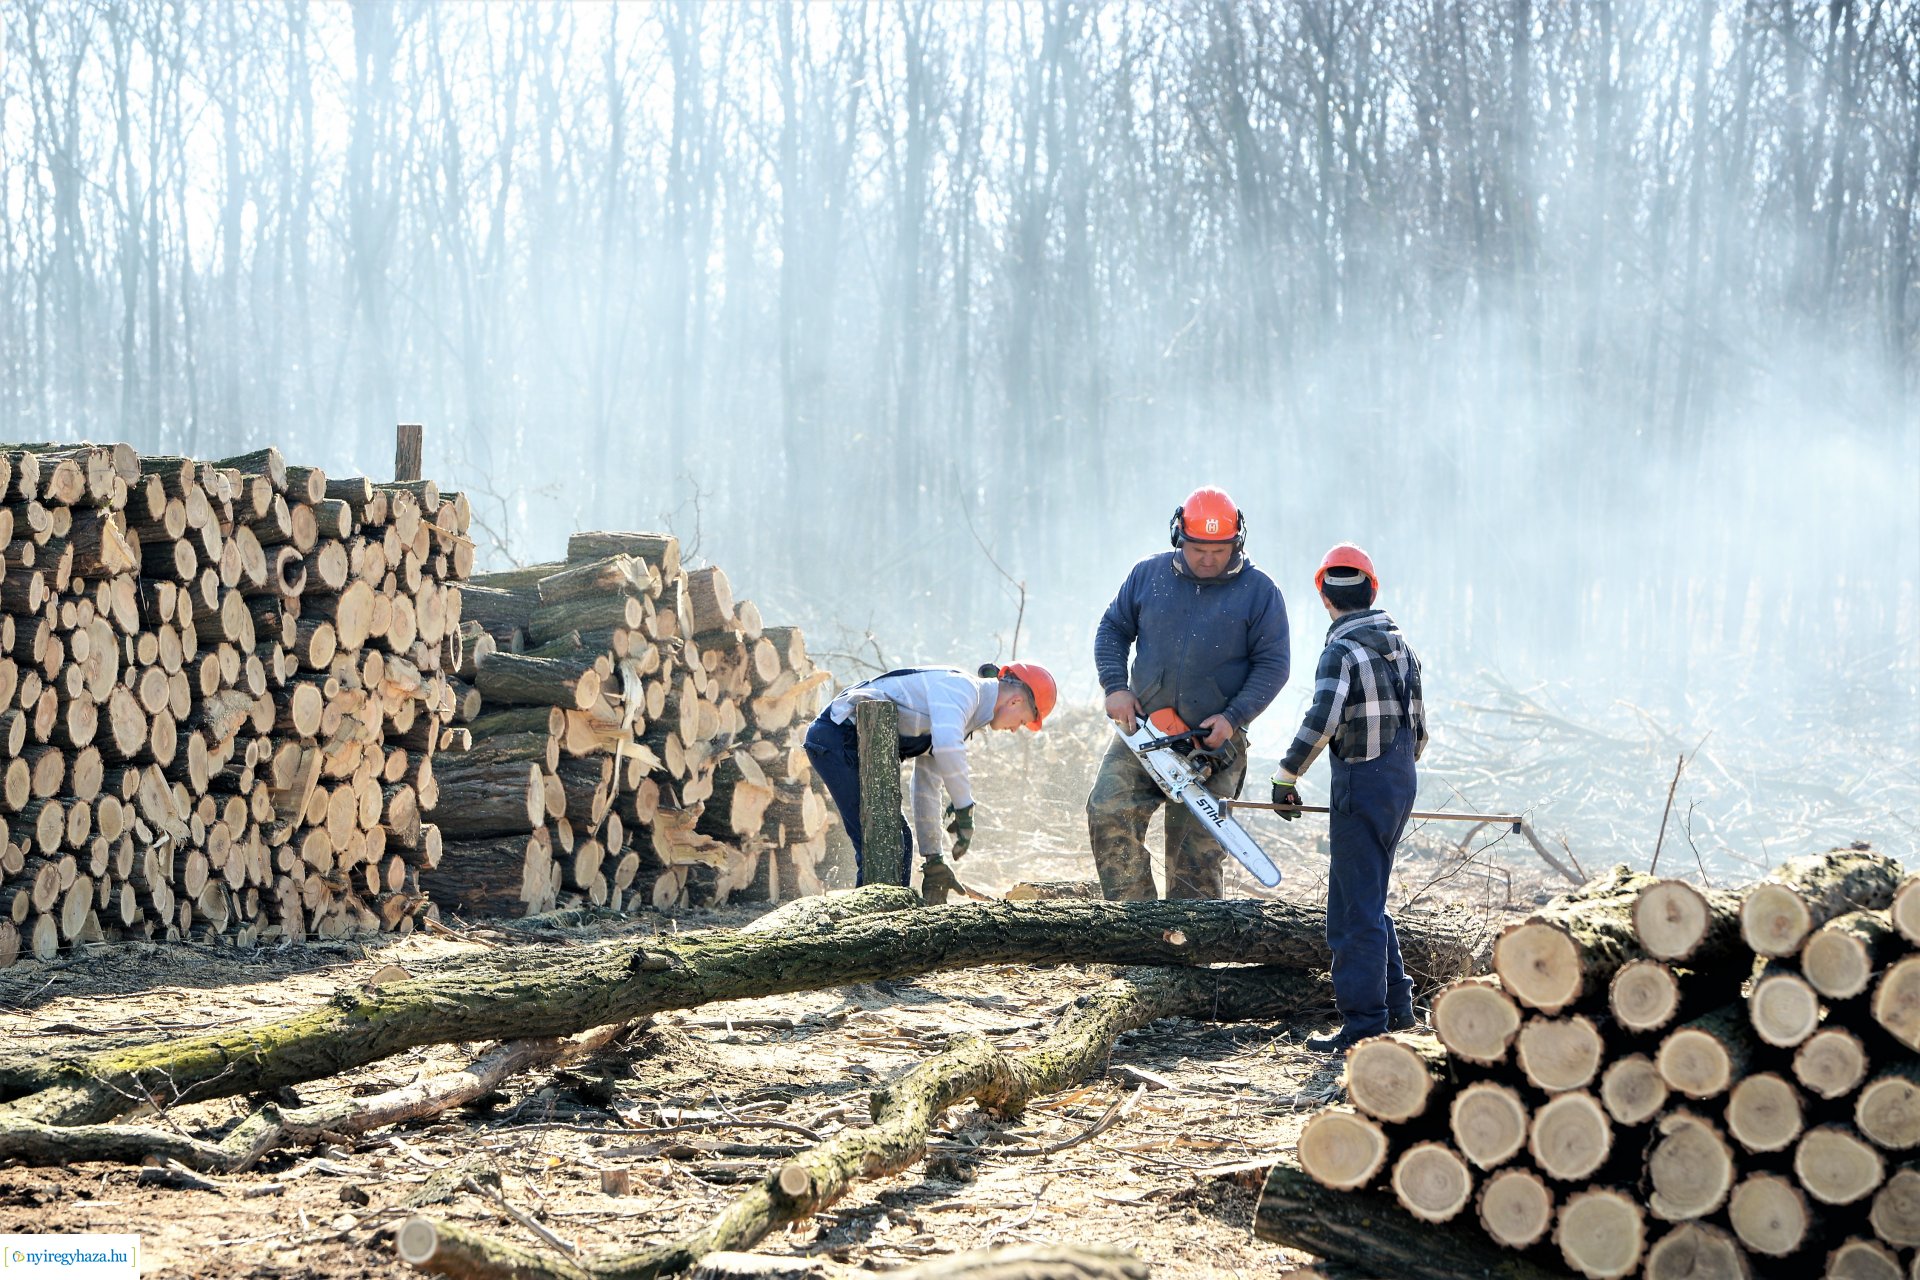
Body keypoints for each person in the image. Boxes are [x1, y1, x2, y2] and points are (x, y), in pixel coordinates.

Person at [1087, 486, 1290, 900]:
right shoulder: (1148, 575)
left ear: (1238, 540)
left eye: (1220, 549)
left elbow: (1274, 665)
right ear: (1179, 536)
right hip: (1144, 731)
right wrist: (1115, 687)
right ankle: (1136, 929)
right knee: (1108, 810)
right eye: (1199, 548)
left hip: (1212, 744)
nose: (1209, 558)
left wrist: (1234, 717)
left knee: (1194, 853)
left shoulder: (1259, 592)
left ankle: (1190, 948)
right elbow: (1112, 629)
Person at [1270, 543, 1428, 1053]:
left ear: (1324, 596)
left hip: (1363, 781)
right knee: (1368, 895)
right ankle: (1398, 1006)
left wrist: (1287, 775)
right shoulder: (1401, 646)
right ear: (1372, 589)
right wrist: (1396, 772)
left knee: (1350, 913)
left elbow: (1323, 720)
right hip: (1401, 776)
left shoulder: (1341, 651)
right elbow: (1420, 727)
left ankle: (1365, 1026)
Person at [804, 662, 1057, 904]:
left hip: (853, 742)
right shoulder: (962, 689)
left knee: (895, 840)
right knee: (883, 841)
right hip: (835, 736)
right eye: (1022, 721)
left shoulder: (962, 715)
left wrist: (934, 858)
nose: (1015, 729)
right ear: (1016, 701)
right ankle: (868, 926)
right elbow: (948, 746)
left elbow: (926, 786)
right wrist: (964, 808)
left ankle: (884, 922)